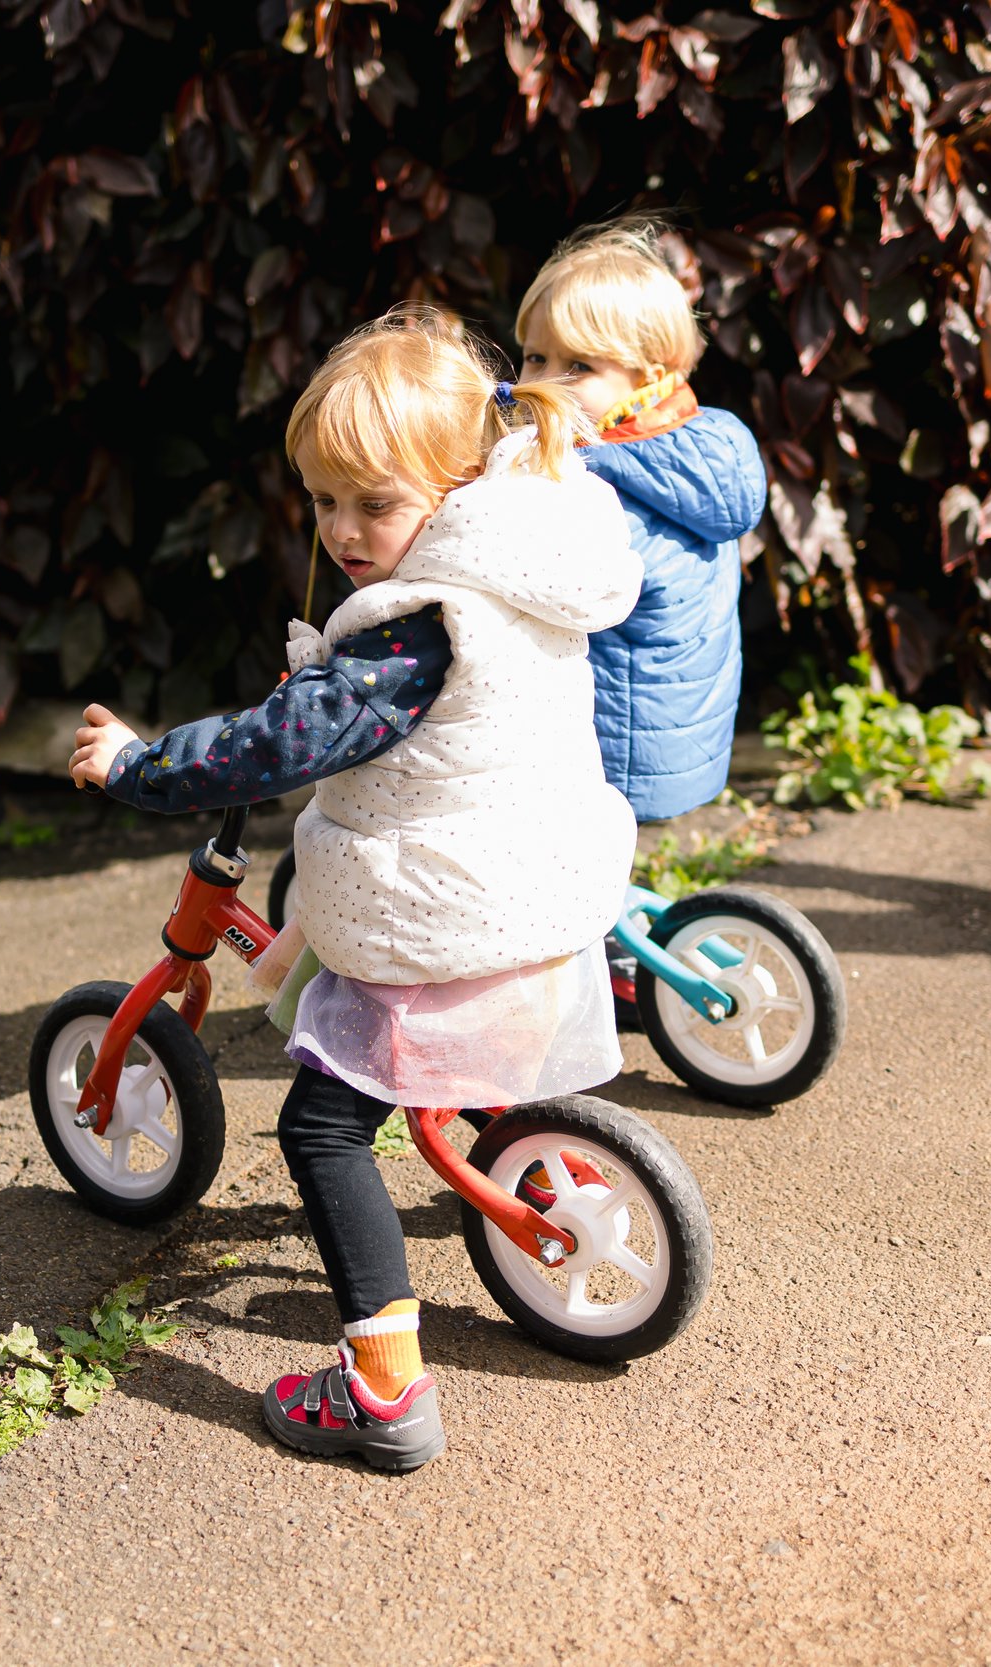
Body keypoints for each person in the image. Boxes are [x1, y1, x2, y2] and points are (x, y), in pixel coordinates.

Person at [70, 306, 641, 1471]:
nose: (339, 530)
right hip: (536, 893)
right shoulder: (525, 560)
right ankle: (545, 1164)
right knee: (331, 918)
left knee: (323, 1127)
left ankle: (384, 1392)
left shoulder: (416, 630)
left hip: (448, 922)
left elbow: (281, 744)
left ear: (456, 482)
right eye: (323, 500)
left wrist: (143, 762)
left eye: (371, 503)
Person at [516, 218, 768, 824]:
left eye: (578, 367)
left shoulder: (604, 488)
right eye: (534, 357)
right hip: (667, 736)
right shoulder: (689, 453)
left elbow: (524, 580)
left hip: (607, 749)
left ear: (649, 377)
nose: (544, 384)